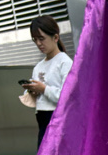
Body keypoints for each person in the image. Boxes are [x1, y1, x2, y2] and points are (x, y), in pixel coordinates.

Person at [25, 16, 73, 148]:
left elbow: (68, 96)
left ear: (55, 37)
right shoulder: (38, 67)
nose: (38, 43)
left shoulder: (65, 62)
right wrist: (32, 91)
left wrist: (43, 89)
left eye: (41, 38)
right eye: (35, 40)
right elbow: (35, 100)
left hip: (60, 120)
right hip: (42, 120)